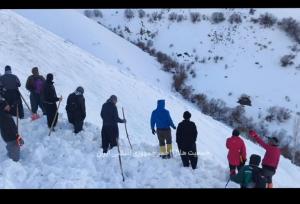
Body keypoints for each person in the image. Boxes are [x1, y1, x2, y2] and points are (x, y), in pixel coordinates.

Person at [0, 82, 24, 162]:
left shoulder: (5, 113)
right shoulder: (5, 116)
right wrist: (17, 136)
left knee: (12, 148)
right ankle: (12, 162)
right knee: (15, 159)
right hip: (11, 138)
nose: (8, 106)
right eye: (7, 105)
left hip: (9, 137)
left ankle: (10, 156)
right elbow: (11, 129)